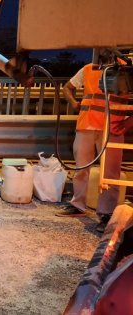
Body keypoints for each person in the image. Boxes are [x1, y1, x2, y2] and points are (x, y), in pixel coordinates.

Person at [59, 54, 127, 233]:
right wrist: (74, 103)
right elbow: (67, 88)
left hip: (111, 128)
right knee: (81, 168)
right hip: (87, 125)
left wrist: (127, 124)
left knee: (110, 173)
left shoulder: (125, 70)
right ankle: (78, 205)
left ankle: (106, 213)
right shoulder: (88, 69)